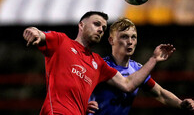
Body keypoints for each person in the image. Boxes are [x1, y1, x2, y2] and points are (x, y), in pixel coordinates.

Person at [23, 11, 175, 115]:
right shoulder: (61, 42)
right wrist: (33, 31)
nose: (101, 29)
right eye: (96, 24)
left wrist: (153, 59)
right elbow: (40, 34)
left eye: (103, 27)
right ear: (81, 25)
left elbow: (128, 84)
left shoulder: (98, 63)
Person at [87, 18, 194, 115]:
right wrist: (83, 104)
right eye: (124, 37)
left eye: (133, 37)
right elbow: (74, 88)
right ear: (111, 40)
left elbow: (160, 93)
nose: (130, 42)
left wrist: (180, 103)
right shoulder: (100, 65)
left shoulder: (137, 69)